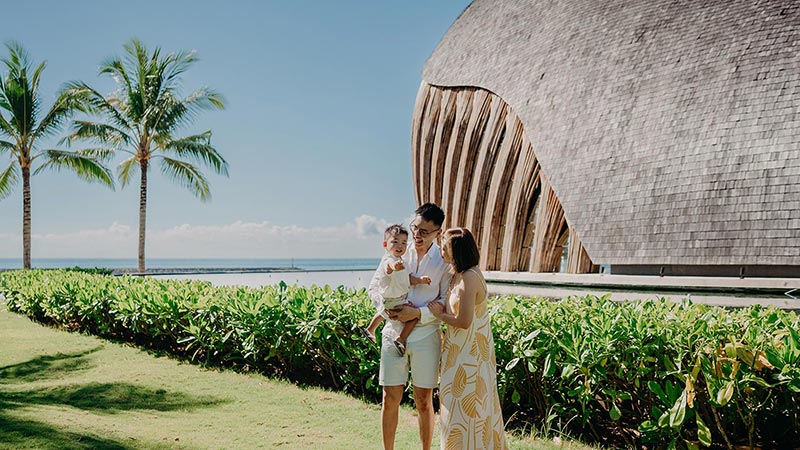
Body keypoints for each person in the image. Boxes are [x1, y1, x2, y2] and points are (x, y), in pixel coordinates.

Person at [368, 203, 452, 450]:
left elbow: (446, 301)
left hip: (427, 337)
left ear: (438, 232)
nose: (417, 236)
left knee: (424, 401)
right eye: (415, 228)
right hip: (392, 332)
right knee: (389, 398)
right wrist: (386, 309)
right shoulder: (397, 250)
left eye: (425, 232)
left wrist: (417, 313)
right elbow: (374, 287)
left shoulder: (444, 262)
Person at [428, 227, 508, 450]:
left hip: (470, 356)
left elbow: (464, 321)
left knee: (469, 407)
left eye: (446, 247)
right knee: (454, 405)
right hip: (457, 352)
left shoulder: (469, 278)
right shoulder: (457, 274)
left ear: (458, 252)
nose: (442, 250)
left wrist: (440, 315)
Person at [362, 224, 432, 355]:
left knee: (385, 312)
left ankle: (370, 329)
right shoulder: (389, 260)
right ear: (385, 244)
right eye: (395, 242)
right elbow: (389, 268)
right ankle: (401, 339)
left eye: (404, 243)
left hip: (393, 299)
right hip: (393, 299)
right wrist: (395, 267)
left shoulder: (402, 261)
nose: (400, 246)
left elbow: (409, 279)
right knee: (414, 317)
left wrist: (421, 280)